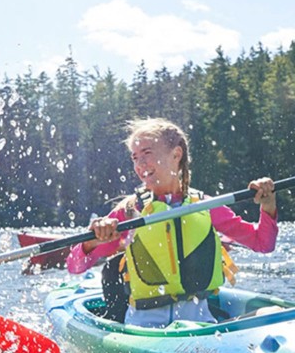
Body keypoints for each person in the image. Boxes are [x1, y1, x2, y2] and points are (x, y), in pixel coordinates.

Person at [66, 117, 278, 327]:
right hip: (143, 328)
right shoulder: (130, 211)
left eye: (147, 153)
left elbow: (263, 243)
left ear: (176, 154)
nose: (140, 164)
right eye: (134, 157)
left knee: (272, 313)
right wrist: (92, 240)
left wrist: (267, 205)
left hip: (201, 325)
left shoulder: (205, 206)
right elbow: (75, 266)